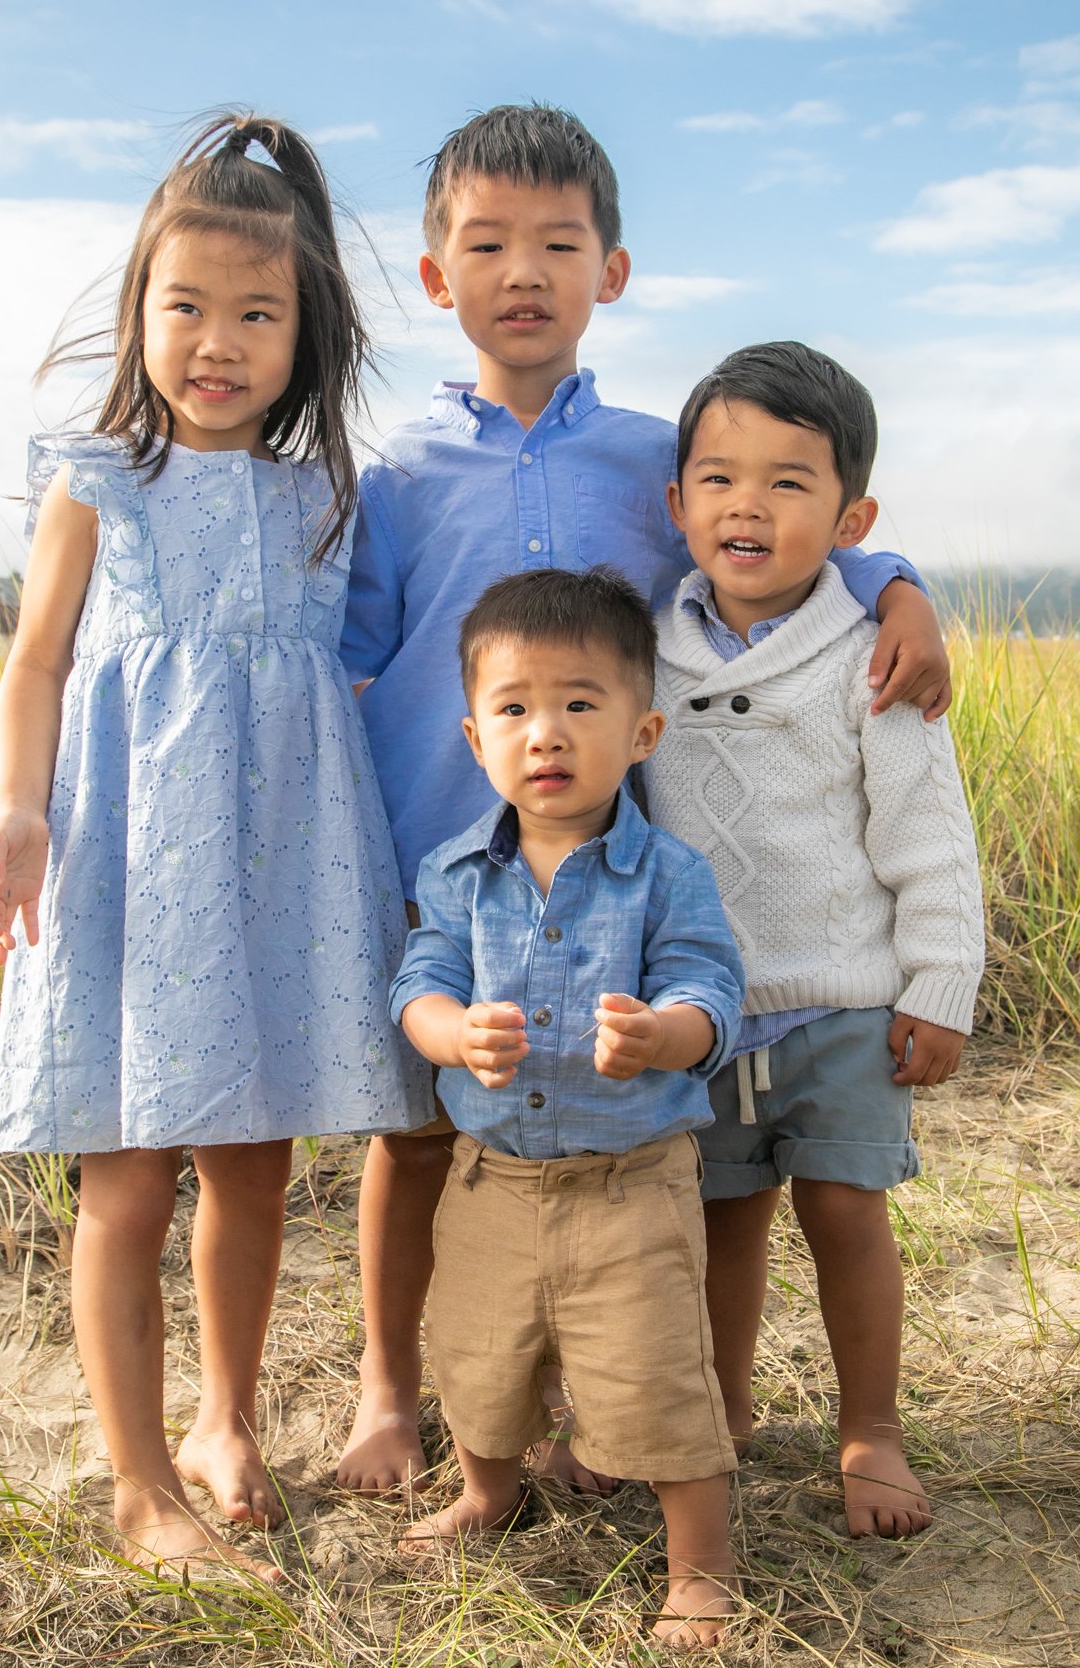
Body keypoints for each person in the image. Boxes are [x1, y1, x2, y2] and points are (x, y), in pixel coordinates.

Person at [335, 102, 953, 1494]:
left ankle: (589, 1407)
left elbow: (760, 537)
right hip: (448, 858)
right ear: (437, 279)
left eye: (560, 242)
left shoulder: (646, 458)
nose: (525, 270)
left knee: (607, 1154)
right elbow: (353, 666)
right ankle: (390, 1387)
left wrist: (890, 575)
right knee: (422, 1136)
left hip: (616, 878)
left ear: (610, 271)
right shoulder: (399, 475)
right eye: (487, 244)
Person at [0, 114, 431, 1581]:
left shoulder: (320, 501)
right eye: (187, 308)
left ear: (308, 336)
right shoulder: (98, 478)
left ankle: (227, 1421)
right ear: (139, 313)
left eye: (256, 314)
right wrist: (20, 806)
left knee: (247, 1166)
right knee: (126, 1184)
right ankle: (138, 1474)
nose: (217, 342)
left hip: (274, 873)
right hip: (120, 860)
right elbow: (36, 663)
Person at [645, 340, 984, 1540]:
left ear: (851, 516)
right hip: (707, 1010)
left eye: (790, 482)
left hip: (844, 997)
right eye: (719, 477)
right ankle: (723, 1413)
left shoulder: (872, 653)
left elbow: (926, 831)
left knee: (845, 1212)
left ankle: (870, 1428)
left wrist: (940, 982)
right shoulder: (647, 643)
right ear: (675, 500)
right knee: (721, 1219)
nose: (749, 504)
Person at [391, 567, 745, 1651]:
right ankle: (489, 1487)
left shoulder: (665, 872)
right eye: (514, 708)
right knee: (477, 1348)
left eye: (579, 704)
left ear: (640, 730)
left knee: (652, 1365)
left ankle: (699, 1563)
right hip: (490, 1175)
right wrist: (451, 1032)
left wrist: (663, 1031)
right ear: (473, 734)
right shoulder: (454, 872)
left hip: (629, 1179)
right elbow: (418, 981)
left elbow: (709, 984)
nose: (545, 732)